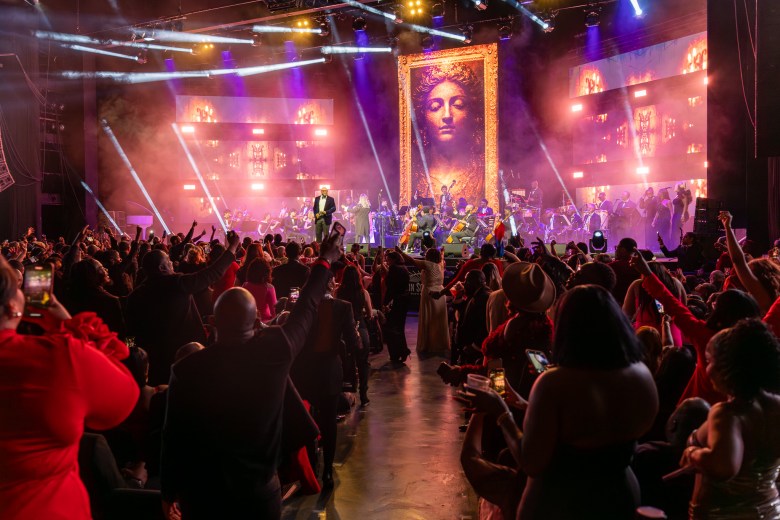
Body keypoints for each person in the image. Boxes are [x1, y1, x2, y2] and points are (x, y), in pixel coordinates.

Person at [160, 235, 340, 520]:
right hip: (258, 494)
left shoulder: (185, 369)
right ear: (257, 323)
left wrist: (169, 491)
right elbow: (306, 306)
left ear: (213, 324)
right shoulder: (276, 350)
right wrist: (325, 261)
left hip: (203, 494)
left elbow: (173, 436)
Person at [469, 284, 658, 520]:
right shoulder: (642, 375)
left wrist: (501, 411)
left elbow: (531, 461)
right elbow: (587, 426)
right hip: (620, 493)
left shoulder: (555, 382)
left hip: (562, 501)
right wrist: (523, 403)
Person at [0, 256, 139, 520]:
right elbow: (126, 334)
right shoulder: (110, 303)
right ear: (10, 307)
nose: (107, 268)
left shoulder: (71, 294)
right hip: (49, 507)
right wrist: (134, 350)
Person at [630, 247, 763, 406]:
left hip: (697, 412)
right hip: (742, 417)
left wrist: (647, 273)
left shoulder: (707, 337)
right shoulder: (759, 344)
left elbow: (672, 304)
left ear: (719, 311)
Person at [679, 319, 780, 519]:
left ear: (728, 368)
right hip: (770, 510)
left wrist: (692, 453)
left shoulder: (727, 414)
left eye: (710, 362)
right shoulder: (777, 405)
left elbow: (723, 466)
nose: (707, 370)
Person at [126, 231, 241, 386]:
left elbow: (129, 330)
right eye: (168, 261)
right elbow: (211, 274)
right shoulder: (176, 283)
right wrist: (232, 247)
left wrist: (132, 354)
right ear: (162, 267)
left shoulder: (136, 295)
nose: (172, 263)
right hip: (184, 354)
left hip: (153, 358)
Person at [291, 277, 360, 488]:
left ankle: (310, 468)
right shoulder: (343, 307)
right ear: (332, 285)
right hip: (329, 371)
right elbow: (353, 343)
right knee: (329, 423)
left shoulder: (304, 306)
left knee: (305, 419)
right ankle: (328, 471)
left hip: (303, 372)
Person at [412, 62, 485, 198]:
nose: (447, 115)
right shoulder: (413, 175)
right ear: (423, 117)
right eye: (435, 106)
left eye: (458, 105)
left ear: (473, 114)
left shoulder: (485, 172)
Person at [396, 246, 449, 357]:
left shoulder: (427, 264)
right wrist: (442, 252)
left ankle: (429, 344)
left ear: (429, 256)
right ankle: (439, 344)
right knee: (438, 319)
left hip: (429, 292)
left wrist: (400, 252)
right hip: (440, 292)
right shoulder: (441, 264)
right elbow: (442, 256)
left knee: (428, 319)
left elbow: (411, 260)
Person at [335, 265, 373, 406]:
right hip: (360, 327)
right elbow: (369, 314)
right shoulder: (364, 293)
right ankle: (364, 394)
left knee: (345, 362)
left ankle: (347, 393)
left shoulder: (338, 292)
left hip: (344, 331)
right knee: (363, 363)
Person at [382, 251, 411, 363]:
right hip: (404, 300)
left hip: (396, 301)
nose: (387, 262)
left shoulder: (394, 269)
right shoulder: (404, 268)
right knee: (399, 327)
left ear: (393, 259)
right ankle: (402, 351)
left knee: (391, 328)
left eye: (388, 259)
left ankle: (396, 353)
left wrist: (385, 303)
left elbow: (390, 287)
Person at [242, 257, 277, 322]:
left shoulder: (245, 285)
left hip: (248, 322)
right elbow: (274, 313)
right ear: (267, 272)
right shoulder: (269, 288)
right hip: (264, 323)